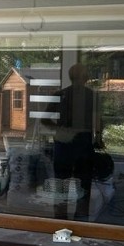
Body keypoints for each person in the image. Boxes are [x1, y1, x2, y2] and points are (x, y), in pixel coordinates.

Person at [43, 63, 100, 220]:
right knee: (82, 183)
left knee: (63, 182)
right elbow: (98, 121)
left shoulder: (62, 94)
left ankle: (61, 218)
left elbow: (44, 119)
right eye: (85, 74)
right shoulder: (91, 95)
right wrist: (98, 138)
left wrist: (60, 129)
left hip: (67, 141)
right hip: (80, 141)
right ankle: (79, 219)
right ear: (84, 77)